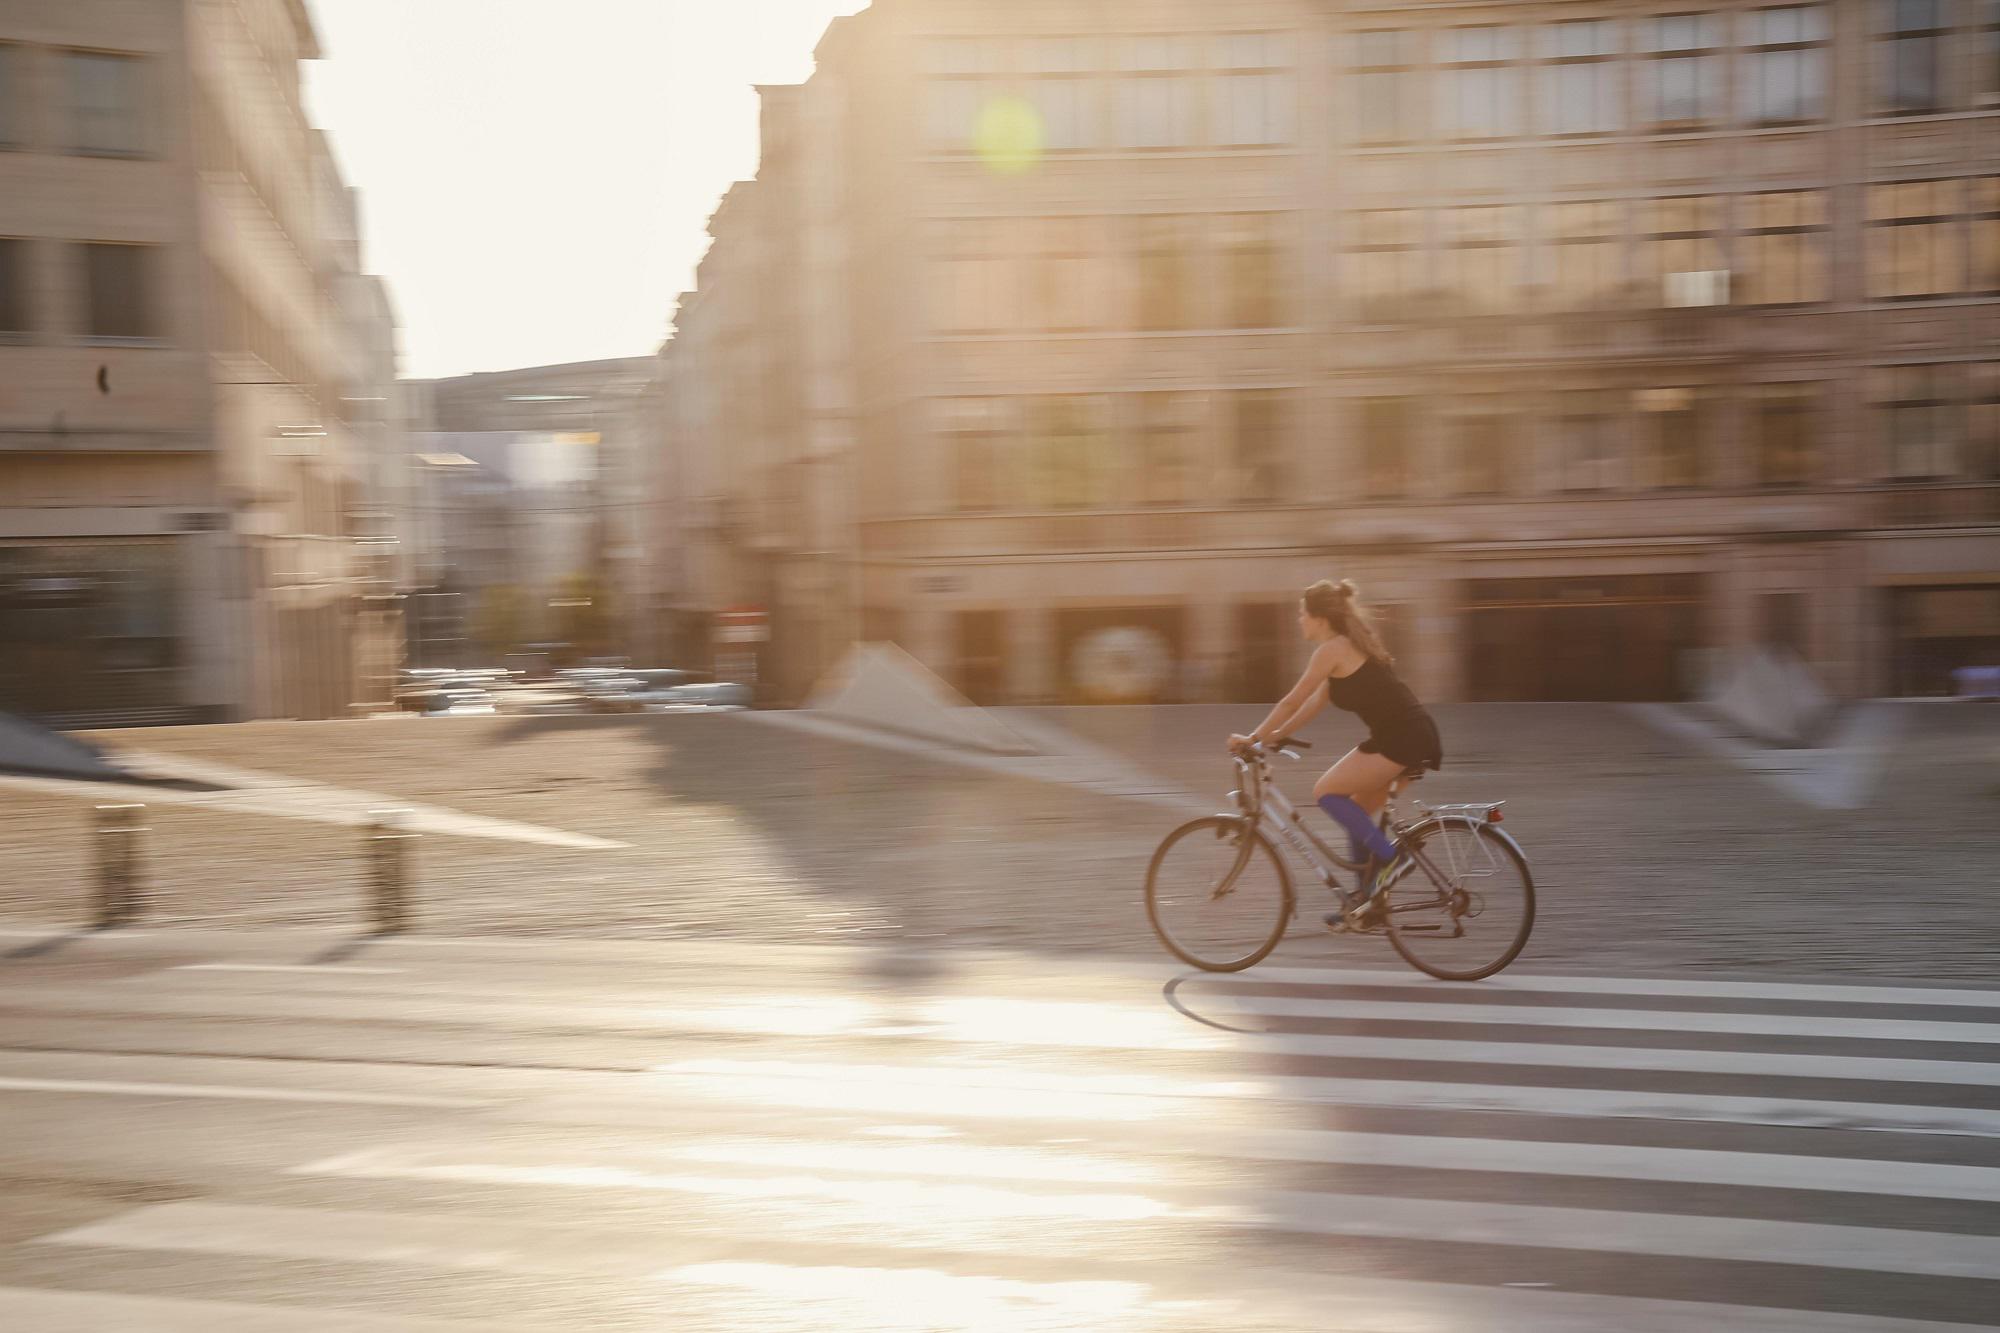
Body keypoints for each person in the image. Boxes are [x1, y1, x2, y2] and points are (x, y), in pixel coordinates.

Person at [1229, 578, 1443, 930]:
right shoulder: (1347, 648)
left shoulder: (1332, 649)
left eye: (1302, 614)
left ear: (1320, 618)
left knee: (1326, 792)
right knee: (1355, 811)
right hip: (1412, 735)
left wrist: (1252, 739)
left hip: (1402, 738)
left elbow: (1292, 699)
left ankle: (1394, 858)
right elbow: (1315, 702)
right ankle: (1366, 903)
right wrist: (1276, 736)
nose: (1299, 620)